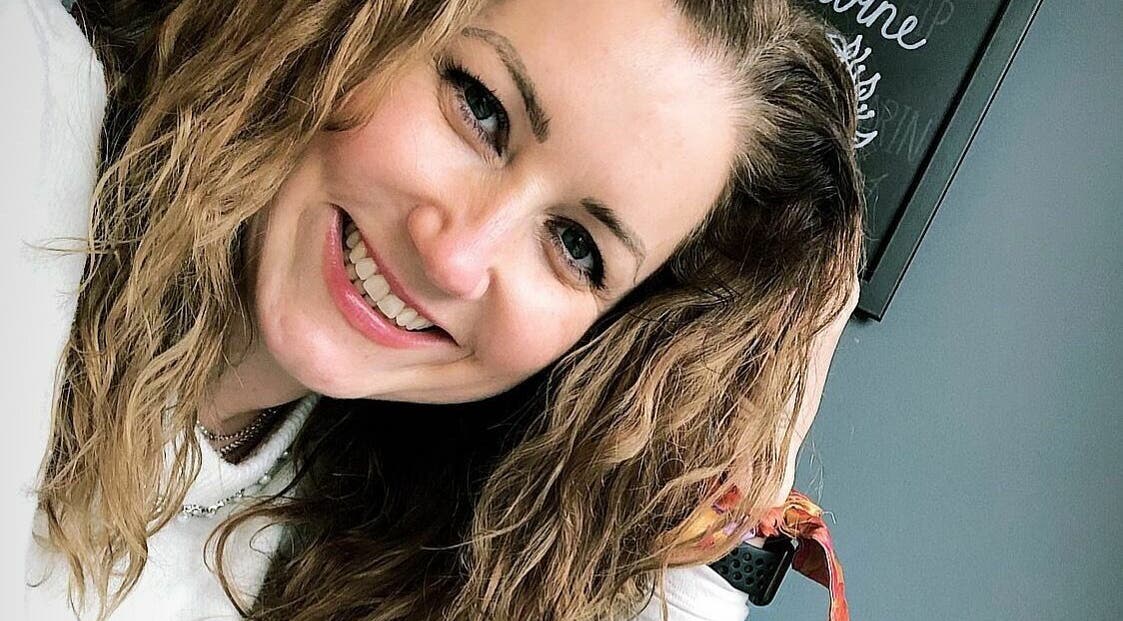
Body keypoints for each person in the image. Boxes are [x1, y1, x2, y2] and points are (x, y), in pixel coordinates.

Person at [16, 0, 865, 619]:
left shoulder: (340, 517)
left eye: (575, 246)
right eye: (480, 108)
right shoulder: (27, 109)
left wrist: (728, 488)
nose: (456, 257)